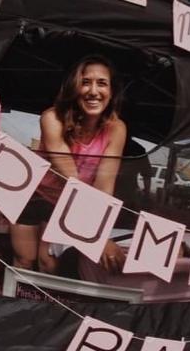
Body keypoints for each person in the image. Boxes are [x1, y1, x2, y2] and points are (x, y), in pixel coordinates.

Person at [11, 54, 127, 274]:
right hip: (37, 194)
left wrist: (98, 233)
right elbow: (71, 177)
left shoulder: (117, 128)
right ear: (74, 88)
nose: (93, 91)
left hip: (71, 202)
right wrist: (98, 238)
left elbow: (104, 186)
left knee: (49, 263)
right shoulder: (51, 118)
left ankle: (47, 308)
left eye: (102, 83)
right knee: (24, 260)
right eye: (85, 82)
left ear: (111, 92)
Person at [114, 138, 152, 229]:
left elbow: (147, 174)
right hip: (119, 192)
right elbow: (147, 175)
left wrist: (146, 194)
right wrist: (146, 194)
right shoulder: (107, 141)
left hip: (128, 193)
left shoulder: (138, 149)